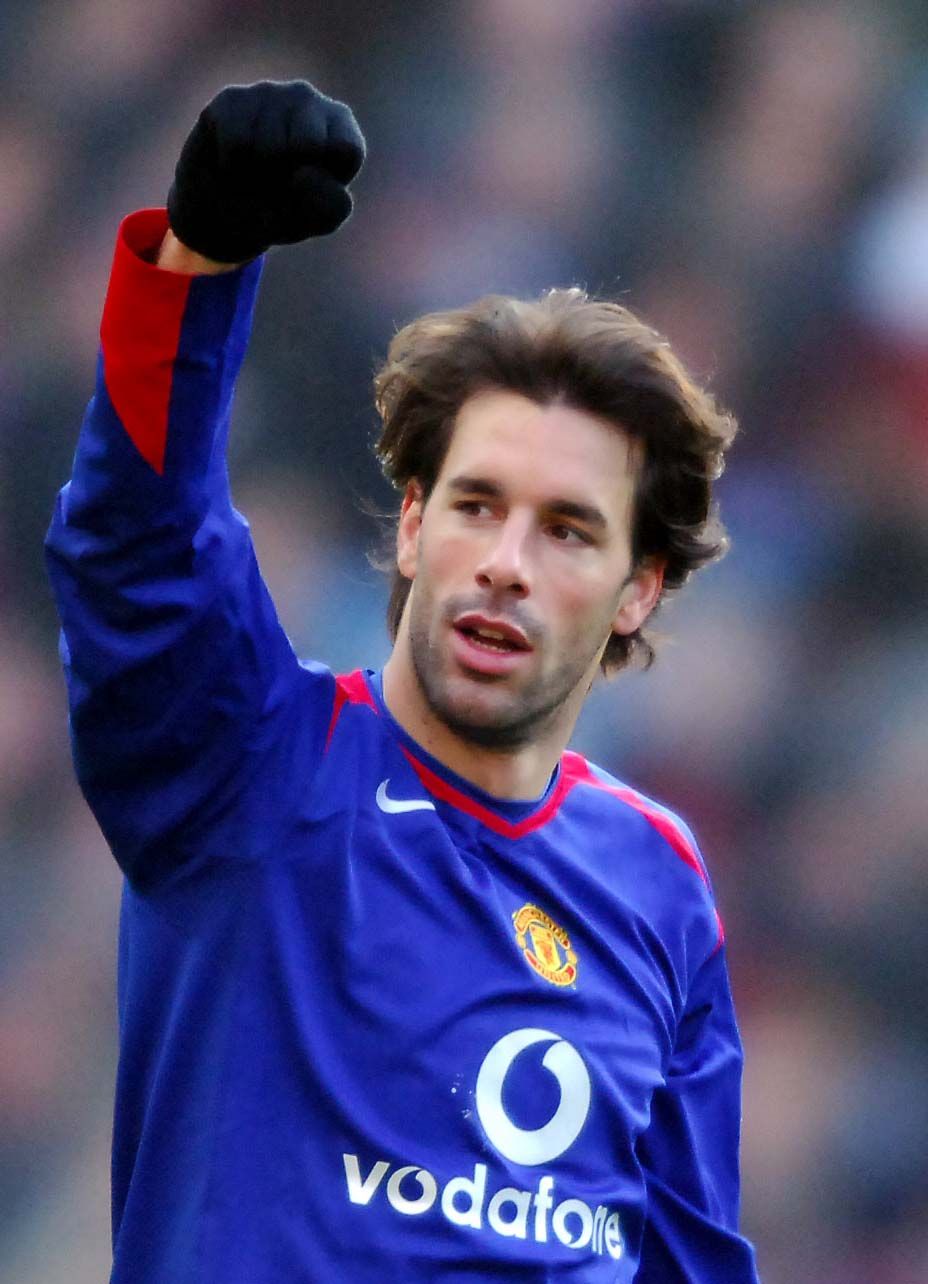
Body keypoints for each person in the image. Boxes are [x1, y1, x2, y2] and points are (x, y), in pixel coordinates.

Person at [45, 79, 760, 1283]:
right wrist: (197, 267)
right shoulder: (256, 769)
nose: (506, 562)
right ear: (415, 526)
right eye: (477, 505)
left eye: (567, 531)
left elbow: (688, 1260)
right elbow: (138, 552)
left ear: (639, 589)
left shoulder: (659, 882)